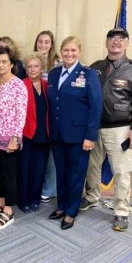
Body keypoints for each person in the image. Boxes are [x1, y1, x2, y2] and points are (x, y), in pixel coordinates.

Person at [79, 27, 132, 232]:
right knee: (92, 166)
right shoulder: (95, 67)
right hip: (94, 127)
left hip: (120, 128)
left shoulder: (130, 68)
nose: (116, 42)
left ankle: (121, 210)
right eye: (112, 38)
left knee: (121, 171)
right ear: (106, 43)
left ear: (126, 44)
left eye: (121, 39)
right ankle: (92, 197)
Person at [47, 36, 102, 230]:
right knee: (61, 174)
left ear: (79, 52)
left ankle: (71, 211)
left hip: (79, 137)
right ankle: (61, 206)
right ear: (61, 52)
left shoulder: (88, 74)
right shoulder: (53, 74)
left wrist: (90, 136)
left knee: (76, 175)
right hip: (57, 135)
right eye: (66, 50)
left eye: (73, 50)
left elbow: (96, 106)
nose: (69, 54)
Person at [0, 48, 27, 230]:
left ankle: (8, 211)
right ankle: (0, 204)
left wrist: (15, 138)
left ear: (11, 64)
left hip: (10, 140)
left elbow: (21, 113)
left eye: (4, 62)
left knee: (9, 175)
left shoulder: (18, 85)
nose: (1, 65)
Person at [18, 52, 50, 213]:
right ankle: (23, 200)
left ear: (42, 67)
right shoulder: (20, 84)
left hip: (44, 134)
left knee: (39, 169)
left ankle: (35, 199)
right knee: (25, 169)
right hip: (26, 134)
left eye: (36, 66)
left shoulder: (47, 85)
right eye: (29, 66)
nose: (32, 69)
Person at [33, 30, 60, 203]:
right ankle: (35, 185)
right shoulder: (29, 60)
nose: (43, 45)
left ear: (51, 45)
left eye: (47, 42)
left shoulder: (57, 64)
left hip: (52, 112)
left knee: (51, 154)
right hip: (33, 112)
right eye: (40, 41)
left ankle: (49, 189)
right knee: (36, 152)